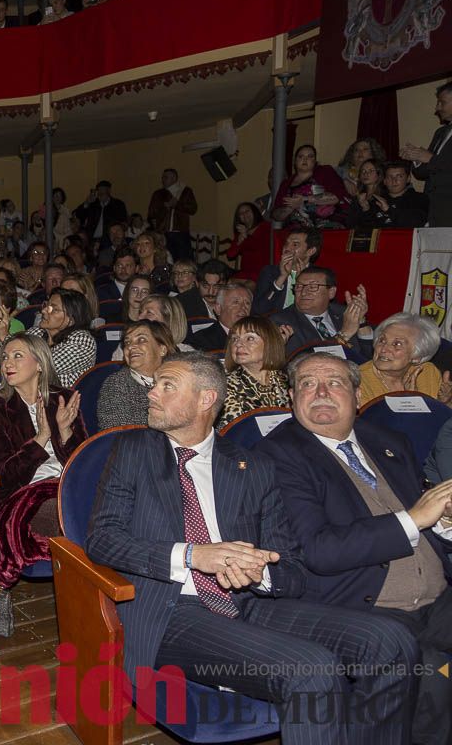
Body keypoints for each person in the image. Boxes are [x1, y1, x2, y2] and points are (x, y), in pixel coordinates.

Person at [88, 352, 418, 744]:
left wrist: (258, 572)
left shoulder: (251, 467)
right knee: (311, 669)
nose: (151, 394)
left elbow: (292, 568)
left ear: (206, 399)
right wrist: (193, 555)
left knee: (392, 642)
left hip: (249, 601)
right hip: (172, 611)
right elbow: (102, 539)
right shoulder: (134, 449)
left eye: (167, 385)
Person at [258, 352, 452, 744]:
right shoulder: (278, 455)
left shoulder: (387, 440)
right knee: (434, 673)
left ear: (357, 393)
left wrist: (444, 523)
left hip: (438, 596)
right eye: (308, 384)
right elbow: (319, 551)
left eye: (335, 382)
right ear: (292, 397)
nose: (321, 392)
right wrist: (415, 518)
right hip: (364, 603)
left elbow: (421, 518)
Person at [0, 334, 86, 585]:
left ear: (40, 364)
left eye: (18, 356)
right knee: (66, 515)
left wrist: (64, 430)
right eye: (5, 357)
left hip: (69, 485)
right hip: (25, 492)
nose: (8, 363)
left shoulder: (64, 398)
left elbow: (84, 462)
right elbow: (4, 473)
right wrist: (41, 438)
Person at [271, 267, 374, 357]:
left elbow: (367, 357)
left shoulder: (343, 313)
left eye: (313, 287)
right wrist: (343, 335)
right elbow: (304, 362)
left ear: (331, 292)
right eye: (299, 286)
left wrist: (361, 322)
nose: (304, 292)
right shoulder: (281, 322)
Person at [96, 320, 176, 429]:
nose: (131, 347)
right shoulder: (117, 384)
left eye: (141, 340)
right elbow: (120, 437)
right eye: (127, 342)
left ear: (162, 349)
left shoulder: (179, 381)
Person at [356, 312, 446, 405]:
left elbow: (440, 417)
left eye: (397, 344)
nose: (384, 349)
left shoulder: (427, 372)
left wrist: (445, 404)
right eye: (382, 340)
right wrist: (411, 403)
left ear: (417, 357)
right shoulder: (357, 381)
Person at [216, 316, 290, 428]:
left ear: (270, 343)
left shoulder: (286, 380)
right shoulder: (225, 387)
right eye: (235, 339)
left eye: (250, 338)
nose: (238, 344)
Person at [401, 80, 452, 226]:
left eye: (442, 102)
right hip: (435, 211)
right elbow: (422, 174)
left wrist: (430, 158)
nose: (437, 108)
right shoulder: (440, 132)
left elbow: (434, 161)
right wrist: (416, 157)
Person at [270, 144, 351, 228]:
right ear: (295, 161)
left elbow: (337, 197)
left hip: (327, 227)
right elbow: (276, 215)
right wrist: (289, 208)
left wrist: (305, 200)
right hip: (297, 231)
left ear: (315, 161)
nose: (305, 159)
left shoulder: (325, 172)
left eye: (310, 156)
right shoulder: (286, 183)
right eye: (301, 156)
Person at [252, 227, 321, 315]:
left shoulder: (318, 276)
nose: (287, 248)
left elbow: (321, 310)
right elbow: (259, 309)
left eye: (295, 244)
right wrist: (281, 278)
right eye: (286, 243)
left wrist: (302, 282)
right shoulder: (270, 272)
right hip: (276, 324)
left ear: (310, 251)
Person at [35, 289, 96, 386]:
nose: (43, 311)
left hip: (60, 398)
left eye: (54, 309)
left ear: (71, 320)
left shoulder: (82, 340)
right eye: (46, 305)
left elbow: (42, 366)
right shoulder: (37, 332)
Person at [146, 168, 197, 261]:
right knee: (164, 260)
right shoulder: (158, 194)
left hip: (180, 233)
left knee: (183, 260)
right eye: (162, 177)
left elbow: (193, 209)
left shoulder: (185, 191)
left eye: (165, 177)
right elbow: (151, 214)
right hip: (163, 233)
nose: (163, 179)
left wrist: (177, 204)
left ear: (174, 178)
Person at [185, 284, 251, 352]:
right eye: (236, 302)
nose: (243, 307)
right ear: (218, 309)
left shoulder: (257, 338)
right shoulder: (201, 341)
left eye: (247, 303)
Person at [225, 201, 271, 280]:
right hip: (245, 273)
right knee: (228, 284)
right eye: (241, 213)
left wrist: (247, 236)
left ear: (254, 212)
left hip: (262, 273)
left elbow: (260, 247)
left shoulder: (265, 227)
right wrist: (239, 240)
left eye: (247, 211)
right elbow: (230, 254)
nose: (244, 214)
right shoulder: (241, 232)